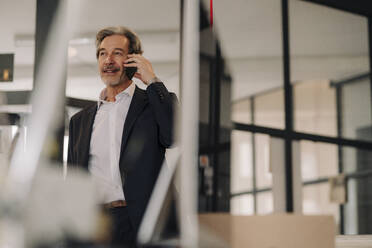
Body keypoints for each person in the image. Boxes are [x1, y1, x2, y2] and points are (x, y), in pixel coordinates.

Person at [67, 26, 177, 246]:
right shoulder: (79, 121)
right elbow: (73, 180)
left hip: (139, 221)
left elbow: (174, 135)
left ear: (133, 60)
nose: (108, 60)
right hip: (94, 225)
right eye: (102, 53)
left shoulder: (151, 105)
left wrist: (152, 80)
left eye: (117, 53)